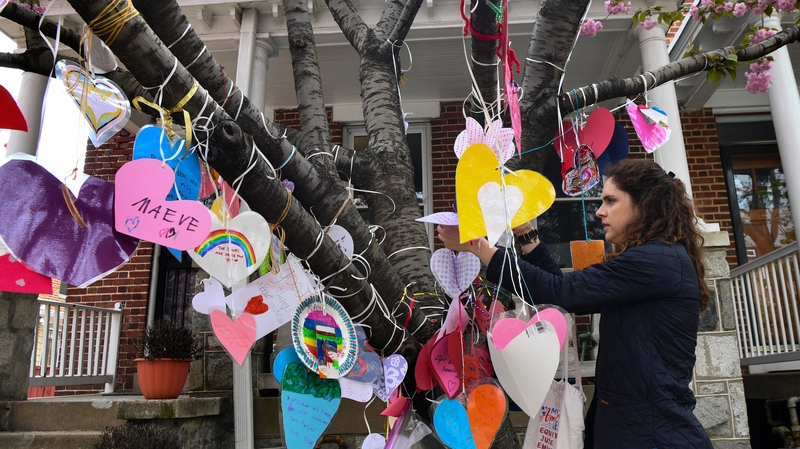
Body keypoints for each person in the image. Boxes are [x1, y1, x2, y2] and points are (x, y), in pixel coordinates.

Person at [437, 159, 713, 448]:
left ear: (644, 205)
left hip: (652, 435)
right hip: (640, 429)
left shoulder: (656, 260)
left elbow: (562, 292)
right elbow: (566, 294)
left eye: (611, 200)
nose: (599, 210)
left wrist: (479, 247)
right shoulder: (657, 260)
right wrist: (526, 235)